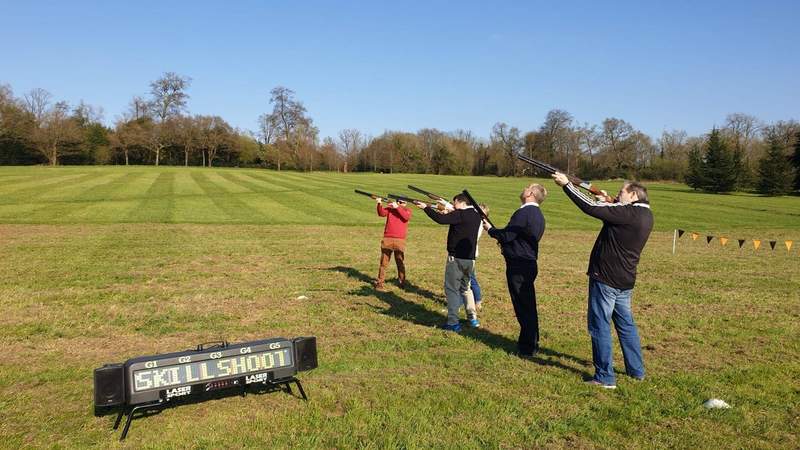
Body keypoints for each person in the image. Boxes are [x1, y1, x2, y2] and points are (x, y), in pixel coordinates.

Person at [552, 173, 653, 389]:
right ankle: (636, 370)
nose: (618, 195)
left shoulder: (627, 213)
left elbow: (589, 207)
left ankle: (605, 377)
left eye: (621, 193)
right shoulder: (644, 214)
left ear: (633, 195)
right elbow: (614, 212)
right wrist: (608, 200)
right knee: (626, 326)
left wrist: (567, 185)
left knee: (599, 326)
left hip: (606, 278)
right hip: (624, 279)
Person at [483, 184, 546, 358]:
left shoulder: (523, 213)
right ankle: (531, 342)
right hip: (528, 263)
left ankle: (528, 347)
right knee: (528, 305)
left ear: (531, 193)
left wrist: (490, 230)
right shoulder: (538, 214)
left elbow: (507, 235)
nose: (524, 189)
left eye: (527, 188)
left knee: (523, 306)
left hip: (519, 265)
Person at [414, 194, 481, 331]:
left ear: (461, 202)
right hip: (470, 259)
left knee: (452, 290)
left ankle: (453, 322)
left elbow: (440, 219)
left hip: (456, 258)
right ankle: (472, 318)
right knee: (466, 288)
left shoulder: (460, 215)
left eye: (454, 202)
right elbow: (453, 214)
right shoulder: (475, 214)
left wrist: (426, 208)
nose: (453, 204)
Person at [374, 197, 412, 291]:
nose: (402, 204)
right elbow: (381, 213)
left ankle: (402, 282)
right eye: (400, 203)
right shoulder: (390, 208)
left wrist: (397, 207)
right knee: (384, 263)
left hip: (400, 240)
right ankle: (380, 283)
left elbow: (406, 217)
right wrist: (379, 204)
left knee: (400, 262)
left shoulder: (407, 210)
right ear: (397, 202)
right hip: (388, 238)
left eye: (403, 203)